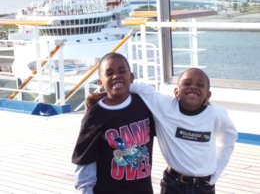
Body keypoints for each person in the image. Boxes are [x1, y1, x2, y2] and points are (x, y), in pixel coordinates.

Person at [86, 68, 238, 194]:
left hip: (203, 187)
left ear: (208, 94)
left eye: (200, 85)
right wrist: (105, 94)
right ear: (176, 91)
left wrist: (216, 173)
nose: (193, 87)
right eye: (187, 83)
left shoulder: (216, 115)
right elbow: (139, 86)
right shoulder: (164, 106)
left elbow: (229, 139)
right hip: (173, 184)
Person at [71, 52, 156, 194]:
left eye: (122, 71)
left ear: (131, 77)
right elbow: (85, 159)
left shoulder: (145, 104)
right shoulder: (95, 115)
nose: (116, 75)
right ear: (100, 82)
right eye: (109, 73)